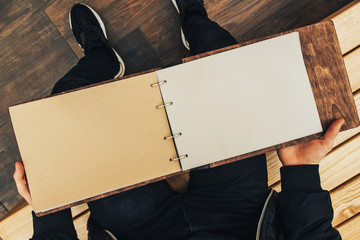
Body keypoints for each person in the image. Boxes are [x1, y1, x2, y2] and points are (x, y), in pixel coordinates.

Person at [13, 1, 344, 239]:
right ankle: (195, 19)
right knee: (226, 60)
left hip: (136, 230)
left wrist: (50, 209)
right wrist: (301, 173)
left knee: (63, 108)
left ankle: (100, 58)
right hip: (239, 215)